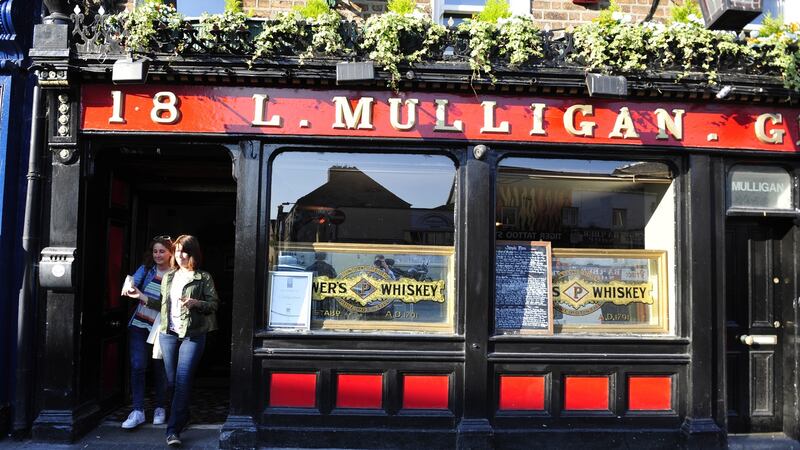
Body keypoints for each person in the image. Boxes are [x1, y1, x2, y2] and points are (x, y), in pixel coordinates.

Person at [158, 235, 219, 447]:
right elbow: (162, 304)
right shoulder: (169, 277)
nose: (179, 255)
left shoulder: (203, 277)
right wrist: (136, 294)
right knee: (172, 382)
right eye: (177, 251)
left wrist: (197, 303)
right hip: (169, 334)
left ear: (193, 253)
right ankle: (184, 415)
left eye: (184, 251)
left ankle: (173, 430)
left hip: (193, 335)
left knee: (183, 382)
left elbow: (214, 304)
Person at [120, 235, 172, 429]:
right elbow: (133, 283)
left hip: (161, 327)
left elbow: (168, 305)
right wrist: (129, 286)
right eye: (155, 251)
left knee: (161, 370)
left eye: (162, 251)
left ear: (170, 253)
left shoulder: (175, 274)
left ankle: (160, 407)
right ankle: (138, 411)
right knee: (138, 366)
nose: (158, 255)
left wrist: (142, 296)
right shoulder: (146, 269)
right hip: (140, 325)